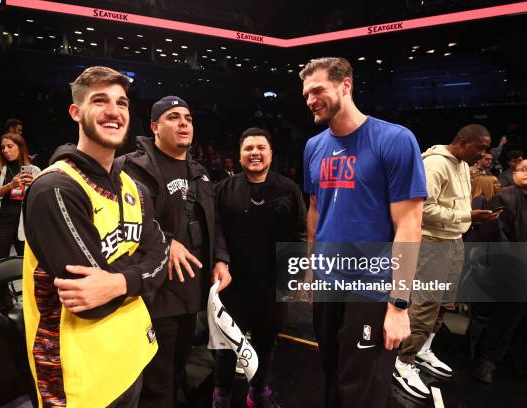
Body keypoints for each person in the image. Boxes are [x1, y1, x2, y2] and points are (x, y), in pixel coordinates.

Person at [22, 66, 169, 408]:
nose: (114, 111)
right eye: (100, 100)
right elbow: (92, 302)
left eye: (122, 102)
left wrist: (118, 281)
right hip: (78, 377)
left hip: (132, 355)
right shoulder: (55, 188)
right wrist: (143, 272)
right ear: (76, 112)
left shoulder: (136, 188)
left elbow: (162, 250)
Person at [300, 57, 427, 408]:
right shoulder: (313, 147)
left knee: (361, 390)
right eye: (307, 93)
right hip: (327, 283)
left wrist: (400, 305)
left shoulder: (396, 140)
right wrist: (311, 270)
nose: (311, 99)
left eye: (319, 90)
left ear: (345, 85)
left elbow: (409, 226)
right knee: (331, 378)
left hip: (370, 289)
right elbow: (316, 211)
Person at [117, 96, 231, 408]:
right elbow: (125, 221)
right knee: (156, 383)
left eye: (188, 118)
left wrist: (221, 259)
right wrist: (165, 241)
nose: (183, 123)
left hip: (191, 296)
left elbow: (214, 222)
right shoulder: (132, 169)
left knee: (178, 372)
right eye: (173, 117)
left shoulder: (199, 171)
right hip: (156, 297)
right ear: (154, 126)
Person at [395, 124, 500, 398]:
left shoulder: (463, 164)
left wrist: (468, 216)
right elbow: (424, 208)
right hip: (432, 243)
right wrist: (467, 217)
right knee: (425, 305)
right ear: (463, 142)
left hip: (454, 241)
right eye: (480, 148)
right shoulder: (434, 165)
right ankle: (402, 362)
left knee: (445, 303)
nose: (483, 154)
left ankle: (421, 350)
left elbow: (457, 204)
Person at [212, 127, 306, 407]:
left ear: (270, 153)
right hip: (233, 284)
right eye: (248, 148)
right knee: (227, 345)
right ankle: (221, 394)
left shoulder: (288, 189)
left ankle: (259, 392)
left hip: (271, 283)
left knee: (266, 342)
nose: (255, 153)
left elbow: (300, 234)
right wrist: (220, 260)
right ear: (239, 156)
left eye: (261, 148)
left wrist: (296, 274)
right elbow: (215, 231)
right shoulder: (222, 190)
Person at [471, 159, 527, 383]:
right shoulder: (504, 197)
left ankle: (517, 361)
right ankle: (487, 361)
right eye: (522, 170)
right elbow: (495, 236)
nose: (525, 174)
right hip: (510, 270)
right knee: (507, 316)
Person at [0, 133, 40, 263]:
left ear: (20, 147)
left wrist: (33, 186)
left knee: (27, 267)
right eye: (2, 147)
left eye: (10, 146)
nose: (5, 151)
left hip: (24, 225)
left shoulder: (34, 170)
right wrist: (10, 185)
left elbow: (40, 200)